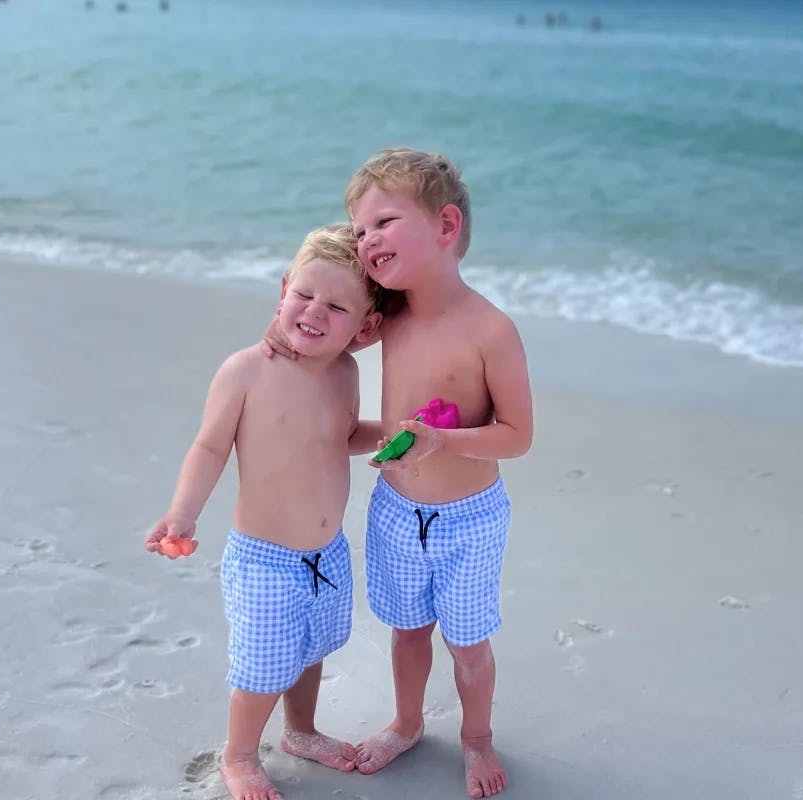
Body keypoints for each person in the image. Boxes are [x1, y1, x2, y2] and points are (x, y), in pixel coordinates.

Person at [265, 149, 534, 798]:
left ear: (445, 227)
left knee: (468, 644)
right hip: (395, 509)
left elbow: (518, 437)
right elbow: (321, 332)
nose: (366, 239)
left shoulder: (490, 330)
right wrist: (281, 335)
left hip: (468, 519)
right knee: (407, 629)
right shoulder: (391, 315)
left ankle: (477, 738)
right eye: (359, 230)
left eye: (383, 222)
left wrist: (442, 439)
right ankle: (407, 723)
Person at [147, 223, 384, 800]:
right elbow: (209, 448)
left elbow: (343, 436)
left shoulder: (345, 372)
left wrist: (391, 436)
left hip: (326, 555)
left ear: (364, 328)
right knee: (261, 668)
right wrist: (183, 513)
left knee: (310, 651)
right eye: (304, 295)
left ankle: (300, 732)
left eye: (336, 306)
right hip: (265, 558)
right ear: (283, 290)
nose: (314, 312)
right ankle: (240, 754)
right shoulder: (246, 371)